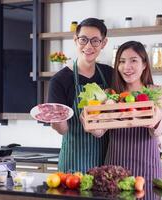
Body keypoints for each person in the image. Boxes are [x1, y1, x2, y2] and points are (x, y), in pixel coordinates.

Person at [47, 18, 113, 173]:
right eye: (83, 39)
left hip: (107, 161)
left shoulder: (110, 74)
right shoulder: (60, 80)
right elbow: (63, 129)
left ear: (103, 43)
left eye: (95, 40)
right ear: (75, 40)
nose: (88, 46)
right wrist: (57, 122)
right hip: (74, 163)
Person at [98, 41, 162, 182]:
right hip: (114, 168)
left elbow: (157, 131)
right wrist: (90, 120)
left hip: (147, 169)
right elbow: (98, 132)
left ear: (144, 65)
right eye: (122, 61)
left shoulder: (158, 91)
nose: (126, 67)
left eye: (133, 60)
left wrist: (155, 119)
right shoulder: (110, 94)